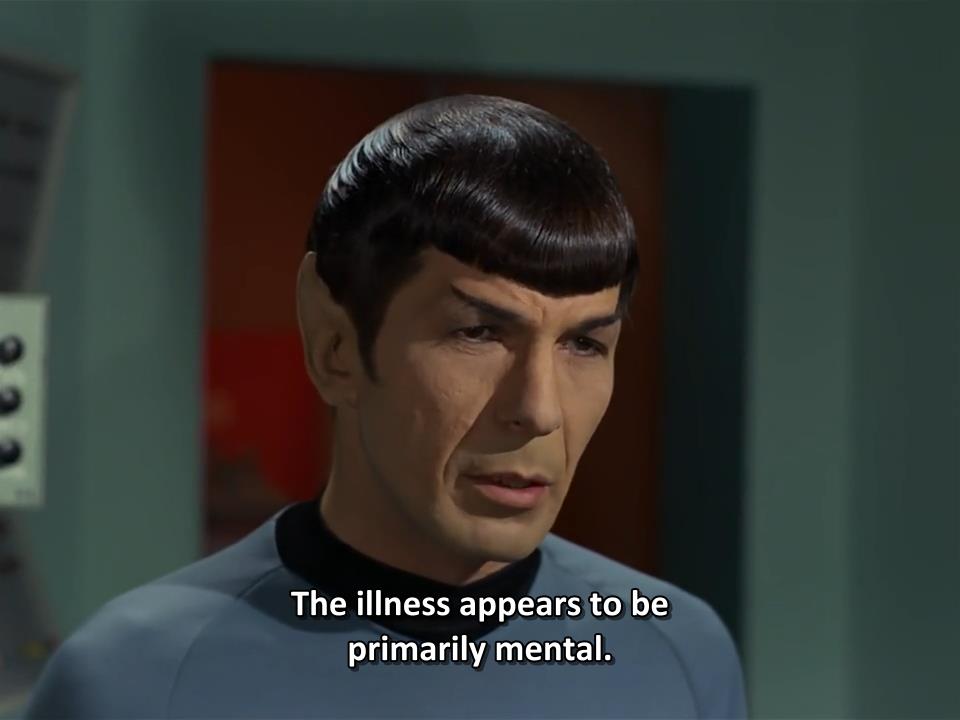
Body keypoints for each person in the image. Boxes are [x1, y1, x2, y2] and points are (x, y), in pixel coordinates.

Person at [24, 95, 746, 719]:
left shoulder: (679, 652)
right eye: (477, 333)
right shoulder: (134, 680)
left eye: (584, 344)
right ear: (336, 345)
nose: (539, 409)